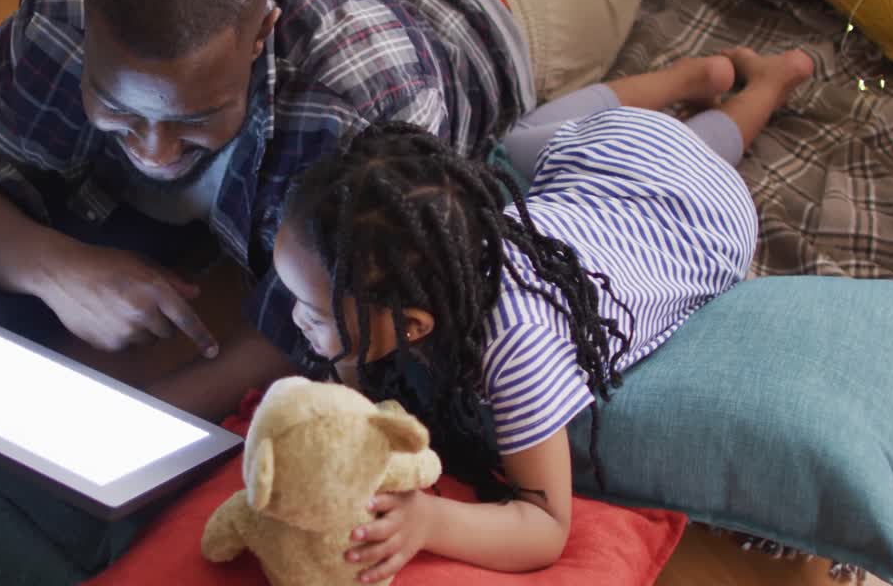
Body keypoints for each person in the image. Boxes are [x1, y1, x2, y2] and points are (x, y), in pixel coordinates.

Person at [0, 0, 709, 420]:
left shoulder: (366, 118)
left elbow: (334, 330)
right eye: (115, 108)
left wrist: (132, 424)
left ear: (262, 34)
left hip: (520, 3)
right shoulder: (63, 1)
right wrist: (56, 268)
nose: (152, 150)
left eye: (194, 119)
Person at [273, 47, 815, 581]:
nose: (296, 320)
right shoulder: (444, 254)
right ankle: (696, 76)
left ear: (414, 325)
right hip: (620, 159)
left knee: (658, 157)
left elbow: (544, 527)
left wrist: (430, 520)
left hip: (710, 213)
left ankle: (765, 84)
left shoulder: (517, 343)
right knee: (521, 140)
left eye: (315, 314)